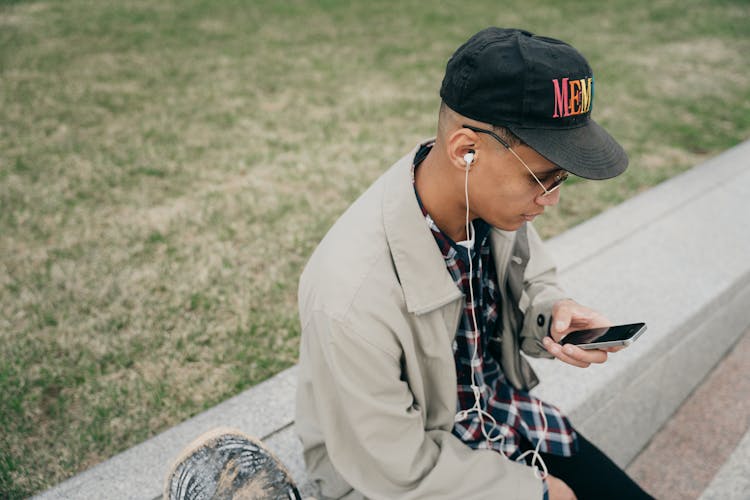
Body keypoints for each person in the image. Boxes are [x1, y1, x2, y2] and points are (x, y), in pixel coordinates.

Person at [294, 27, 654, 500]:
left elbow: (533, 280)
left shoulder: (488, 198)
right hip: (404, 475)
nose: (553, 199)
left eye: (562, 177)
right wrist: (539, 493)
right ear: (466, 150)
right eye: (544, 178)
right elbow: (396, 470)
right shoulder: (350, 296)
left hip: (505, 418)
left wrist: (554, 314)